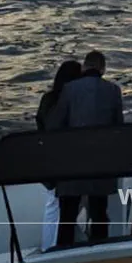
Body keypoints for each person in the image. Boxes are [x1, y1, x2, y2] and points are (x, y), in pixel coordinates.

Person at [49, 49, 124, 248]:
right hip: (101, 165)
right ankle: (99, 252)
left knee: (67, 216)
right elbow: (119, 129)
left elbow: (55, 125)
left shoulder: (69, 89)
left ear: (84, 67)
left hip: (72, 165)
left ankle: (63, 254)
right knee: (99, 214)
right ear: (103, 69)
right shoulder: (113, 91)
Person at [35, 58, 81, 251]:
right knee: (66, 206)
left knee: (52, 206)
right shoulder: (72, 102)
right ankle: (62, 246)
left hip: (49, 162)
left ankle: (49, 247)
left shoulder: (47, 100)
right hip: (68, 163)